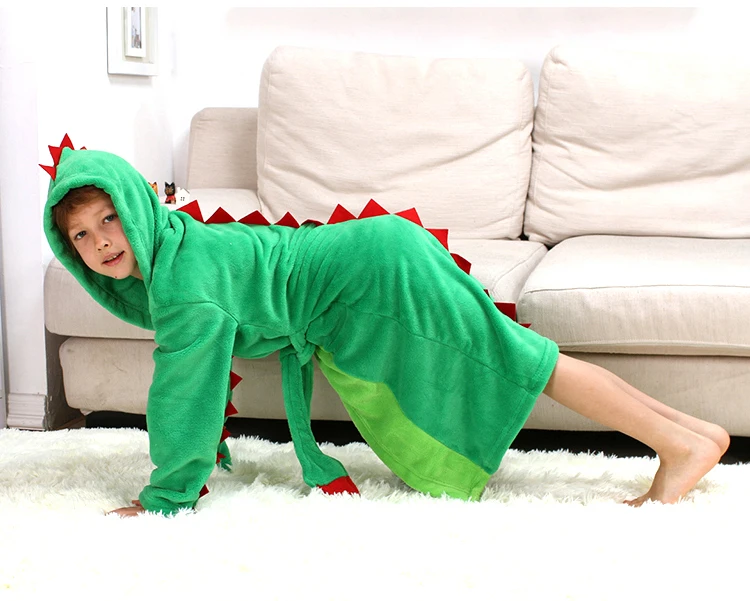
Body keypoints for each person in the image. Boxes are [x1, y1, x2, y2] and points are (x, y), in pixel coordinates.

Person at [42, 138, 730, 517]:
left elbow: (183, 393)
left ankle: (678, 444)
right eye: (80, 235)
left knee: (519, 360)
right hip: (371, 257)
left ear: (139, 208)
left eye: (110, 218)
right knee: (517, 353)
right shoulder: (179, 250)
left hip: (369, 278)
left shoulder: (182, 283)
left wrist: (165, 497)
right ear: (70, 252)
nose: (101, 241)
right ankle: (695, 435)